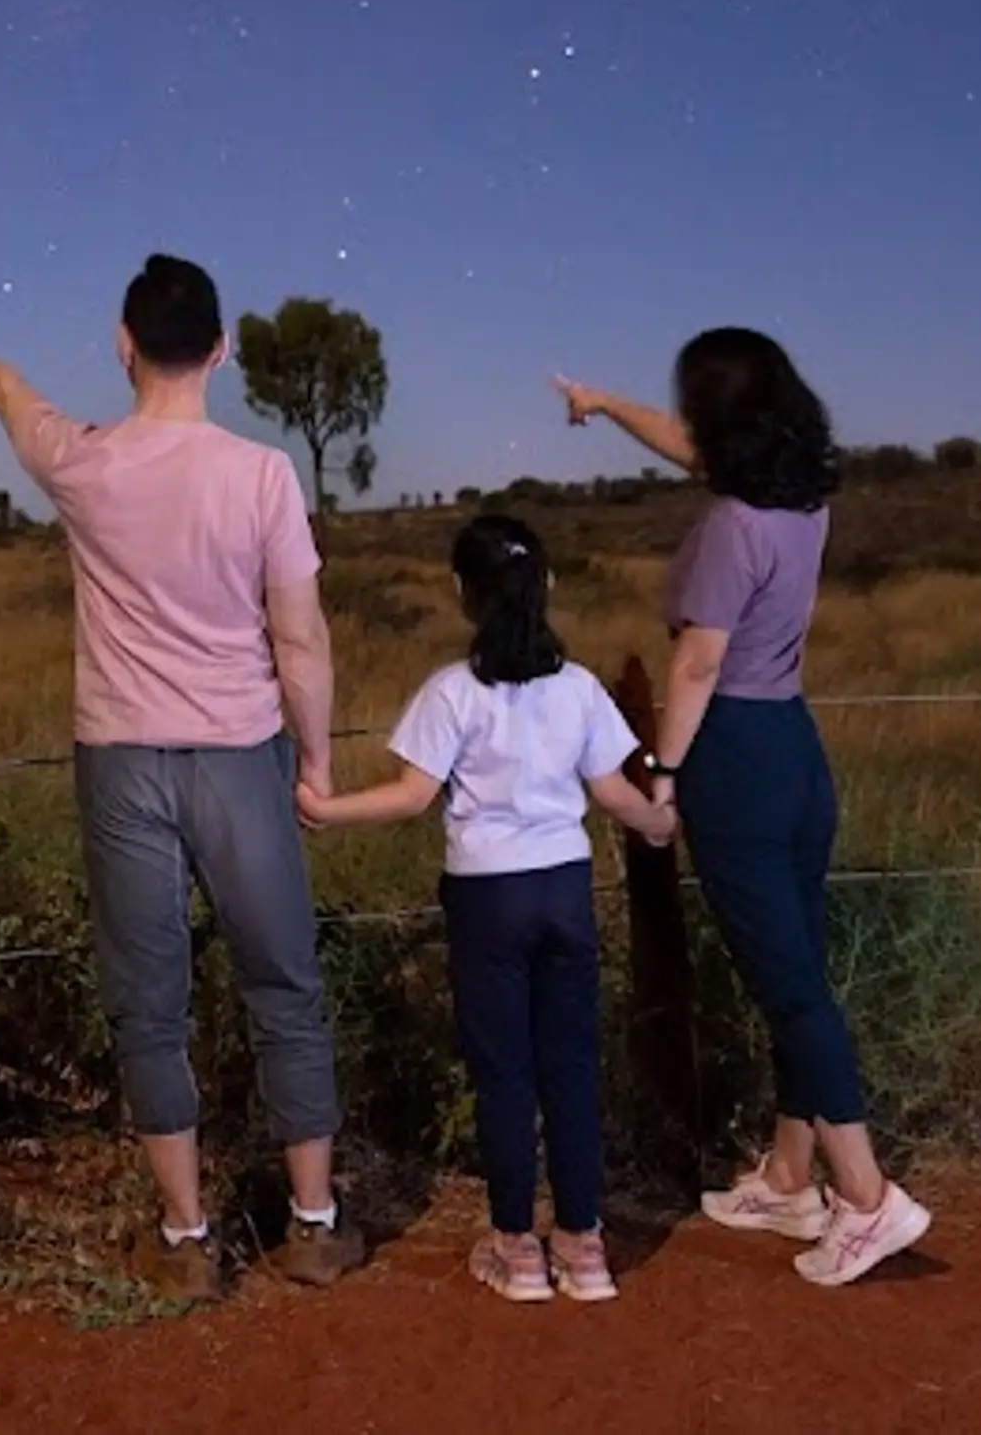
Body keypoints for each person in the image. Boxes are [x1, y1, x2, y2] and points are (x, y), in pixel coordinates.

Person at [0, 256, 358, 1299]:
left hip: (122, 764)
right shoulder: (262, 477)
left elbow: (7, 388)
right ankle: (313, 1224)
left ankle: (186, 1238)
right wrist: (321, 759)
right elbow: (302, 636)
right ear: (222, 348)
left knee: (149, 1005)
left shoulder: (82, 461)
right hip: (240, 757)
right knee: (284, 984)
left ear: (124, 343)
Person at [555, 330, 933, 1286]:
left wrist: (666, 769)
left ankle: (865, 1196)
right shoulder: (801, 494)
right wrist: (603, 403)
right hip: (796, 750)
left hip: (732, 754)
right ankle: (788, 1176)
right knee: (798, 968)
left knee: (789, 988)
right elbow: (685, 445)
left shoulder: (731, 525)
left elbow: (696, 662)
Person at [299, 513, 676, 1303]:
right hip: (563, 890)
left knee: (505, 1073)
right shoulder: (577, 689)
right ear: (549, 588)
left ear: (463, 594)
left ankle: (517, 1248)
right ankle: (583, 1247)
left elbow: (410, 797)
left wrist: (326, 811)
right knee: (571, 1068)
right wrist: (657, 820)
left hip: (487, 897)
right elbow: (612, 791)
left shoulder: (451, 692)